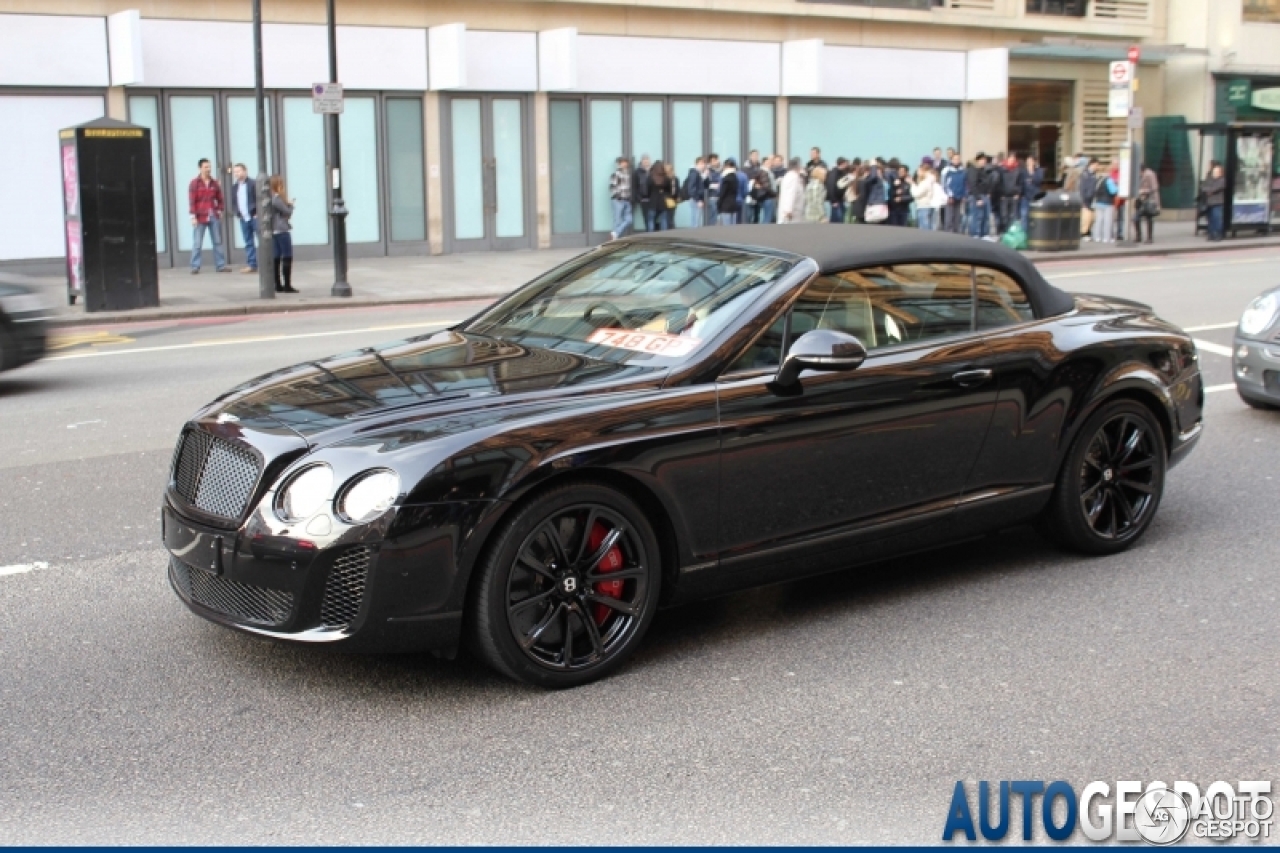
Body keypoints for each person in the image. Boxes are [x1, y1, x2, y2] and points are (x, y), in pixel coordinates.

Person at [188, 158, 230, 274]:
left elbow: (220, 198)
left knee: (217, 241)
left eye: (209, 167)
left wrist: (220, 210)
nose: (208, 169)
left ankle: (220, 265)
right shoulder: (194, 183)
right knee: (197, 243)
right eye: (206, 167)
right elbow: (192, 201)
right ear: (200, 168)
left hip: (213, 215)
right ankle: (195, 266)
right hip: (200, 216)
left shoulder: (214, 183)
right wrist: (193, 216)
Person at [268, 175, 297, 293]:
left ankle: (278, 284)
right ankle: (287, 285)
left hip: (274, 230)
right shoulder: (277, 199)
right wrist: (290, 204)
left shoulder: (270, 198)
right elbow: (287, 211)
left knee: (276, 256)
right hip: (282, 229)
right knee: (287, 256)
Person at [229, 163, 258, 274]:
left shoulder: (253, 184)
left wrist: (257, 212)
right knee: (248, 242)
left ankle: (267, 263)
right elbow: (234, 202)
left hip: (254, 216)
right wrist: (237, 213)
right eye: (235, 172)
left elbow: (258, 199)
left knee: (262, 240)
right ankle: (252, 264)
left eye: (239, 171)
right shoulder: (235, 187)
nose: (236, 174)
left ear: (245, 171)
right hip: (243, 218)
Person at [966, 153, 995, 238]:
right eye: (982, 160)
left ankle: (984, 234)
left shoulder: (983, 170)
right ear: (978, 160)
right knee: (977, 216)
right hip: (977, 196)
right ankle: (975, 234)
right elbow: (973, 184)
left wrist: (988, 192)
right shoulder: (973, 169)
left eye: (985, 160)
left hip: (985, 195)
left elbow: (987, 182)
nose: (984, 162)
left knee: (985, 217)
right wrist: (978, 198)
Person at [1091, 161, 1118, 244]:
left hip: (1098, 202)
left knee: (1098, 220)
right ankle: (1106, 238)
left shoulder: (1097, 179)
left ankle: (1097, 237)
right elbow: (1113, 191)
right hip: (1108, 203)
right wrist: (1117, 186)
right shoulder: (1109, 180)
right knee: (1107, 221)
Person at [1132, 163, 1160, 244]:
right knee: (1135, 217)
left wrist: (1144, 191)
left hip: (1150, 200)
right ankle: (1138, 236)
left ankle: (1149, 238)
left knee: (1149, 218)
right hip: (1141, 200)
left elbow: (1154, 188)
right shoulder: (1140, 176)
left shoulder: (1150, 174)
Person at [646, 161, 676, 231]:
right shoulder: (666, 178)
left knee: (651, 220)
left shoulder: (650, 178)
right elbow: (670, 190)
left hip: (653, 202)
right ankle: (663, 236)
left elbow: (647, 190)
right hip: (663, 202)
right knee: (664, 220)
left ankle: (651, 236)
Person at [941, 152, 966, 233]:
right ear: (951, 160)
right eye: (955, 159)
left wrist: (964, 195)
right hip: (950, 198)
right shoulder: (946, 170)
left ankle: (957, 234)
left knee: (957, 218)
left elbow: (965, 184)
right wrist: (949, 196)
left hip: (959, 197)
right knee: (949, 218)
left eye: (958, 159)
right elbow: (944, 184)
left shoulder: (962, 170)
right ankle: (948, 235)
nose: (956, 160)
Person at [911, 160, 940, 230]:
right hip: (928, 206)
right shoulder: (931, 179)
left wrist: (912, 184)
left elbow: (916, 194)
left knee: (924, 229)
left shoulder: (926, 181)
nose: (917, 173)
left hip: (924, 206)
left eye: (919, 171)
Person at [609, 156, 633, 239]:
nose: (624, 164)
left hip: (627, 200)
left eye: (625, 162)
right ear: (619, 163)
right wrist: (617, 196)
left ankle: (615, 233)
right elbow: (612, 187)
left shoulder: (628, 174)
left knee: (629, 220)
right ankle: (615, 239)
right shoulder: (616, 174)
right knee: (617, 220)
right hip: (618, 200)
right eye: (622, 162)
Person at [1201, 164, 1226, 242]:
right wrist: (1209, 190)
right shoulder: (1209, 179)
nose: (1214, 173)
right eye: (1214, 171)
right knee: (1210, 219)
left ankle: (1218, 234)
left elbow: (1217, 187)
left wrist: (1210, 190)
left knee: (1217, 219)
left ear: (1220, 172)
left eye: (1216, 171)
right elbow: (1203, 187)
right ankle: (1211, 234)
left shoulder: (1222, 180)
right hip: (1209, 203)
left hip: (1217, 202)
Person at [777, 157, 806, 223]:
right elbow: (791, 193)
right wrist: (788, 210)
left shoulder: (788, 176)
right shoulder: (793, 177)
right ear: (798, 166)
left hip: (792, 212)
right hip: (792, 213)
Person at [1078, 158, 1099, 241]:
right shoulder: (1085, 174)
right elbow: (1082, 188)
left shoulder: (1094, 174)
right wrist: (1083, 199)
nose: (1097, 167)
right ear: (1092, 164)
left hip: (1092, 198)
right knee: (1086, 218)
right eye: (1096, 165)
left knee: (1092, 218)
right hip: (1086, 199)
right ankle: (1084, 234)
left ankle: (1088, 232)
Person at [1021, 155, 1043, 232]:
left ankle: (1035, 232)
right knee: (1024, 216)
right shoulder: (1023, 171)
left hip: (1035, 197)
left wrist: (1032, 175)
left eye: (1030, 161)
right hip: (1025, 197)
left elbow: (1039, 180)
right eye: (1028, 161)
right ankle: (1025, 233)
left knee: (1035, 216)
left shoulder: (1039, 171)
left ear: (1034, 162)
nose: (1029, 163)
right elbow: (1021, 183)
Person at [887, 161, 912, 226]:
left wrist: (901, 199)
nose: (900, 173)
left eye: (902, 171)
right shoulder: (894, 181)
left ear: (906, 172)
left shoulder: (909, 183)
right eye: (899, 171)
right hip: (893, 209)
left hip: (904, 210)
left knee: (903, 228)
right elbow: (889, 194)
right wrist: (895, 190)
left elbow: (911, 197)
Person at [717, 159, 741, 225]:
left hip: (725, 206)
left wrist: (718, 204)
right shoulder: (736, 177)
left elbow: (722, 193)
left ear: (726, 166)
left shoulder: (726, 179)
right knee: (732, 228)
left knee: (726, 227)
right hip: (733, 205)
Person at [631, 154, 651, 230]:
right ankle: (649, 235)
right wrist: (638, 198)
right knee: (646, 218)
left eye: (647, 160)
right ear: (641, 162)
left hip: (654, 199)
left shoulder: (652, 171)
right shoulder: (637, 172)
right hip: (643, 199)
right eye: (644, 160)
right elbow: (635, 186)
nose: (646, 162)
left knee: (653, 218)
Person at [826, 158, 848, 224]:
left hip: (840, 199)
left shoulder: (842, 173)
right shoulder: (834, 173)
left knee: (841, 218)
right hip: (836, 201)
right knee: (837, 220)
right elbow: (831, 186)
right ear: (842, 164)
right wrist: (833, 201)